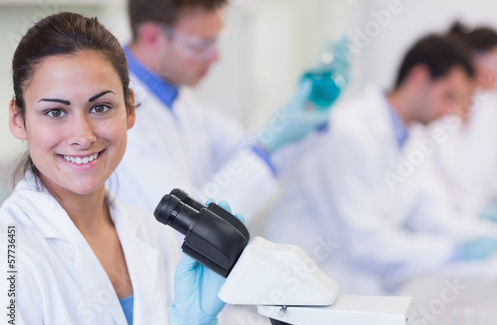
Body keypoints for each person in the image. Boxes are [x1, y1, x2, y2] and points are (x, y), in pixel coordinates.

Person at [0, 12, 239, 325]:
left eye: (99, 107)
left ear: (128, 108)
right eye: (55, 112)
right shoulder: (10, 256)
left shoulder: (150, 233)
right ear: (18, 118)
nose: (83, 135)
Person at [258, 33, 497, 295]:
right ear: (419, 77)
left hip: (353, 286)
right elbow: (362, 241)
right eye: (449, 96)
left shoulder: (414, 139)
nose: (452, 111)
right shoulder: (348, 130)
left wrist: (489, 235)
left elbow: (431, 213)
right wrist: (450, 251)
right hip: (299, 287)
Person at [113, 0, 346, 220]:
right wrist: (269, 144)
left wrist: (306, 111)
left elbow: (247, 151)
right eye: (201, 44)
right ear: (152, 37)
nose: (215, 57)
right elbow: (183, 223)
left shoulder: (179, 99)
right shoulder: (118, 116)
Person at [424, 22, 497, 218]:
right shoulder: (439, 108)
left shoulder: (489, 108)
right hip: (444, 216)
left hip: (483, 212)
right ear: (473, 59)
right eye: (496, 64)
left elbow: (491, 173)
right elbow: (430, 179)